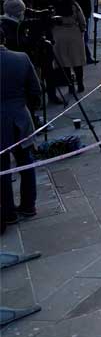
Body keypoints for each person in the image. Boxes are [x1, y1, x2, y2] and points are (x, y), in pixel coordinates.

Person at [1, 29, 42, 233]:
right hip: (19, 116)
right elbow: (35, 90)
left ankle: (8, 212)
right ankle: (28, 205)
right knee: (26, 161)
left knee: (2, 168)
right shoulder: (21, 58)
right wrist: (27, 108)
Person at [51, 0, 87, 93]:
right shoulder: (73, 4)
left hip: (59, 34)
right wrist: (82, 30)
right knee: (77, 60)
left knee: (64, 62)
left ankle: (70, 85)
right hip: (74, 33)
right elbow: (82, 20)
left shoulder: (53, 5)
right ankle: (80, 84)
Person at [69, 0, 100, 64]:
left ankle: (86, 57)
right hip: (82, 13)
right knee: (84, 36)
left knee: (83, 36)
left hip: (83, 12)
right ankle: (87, 57)